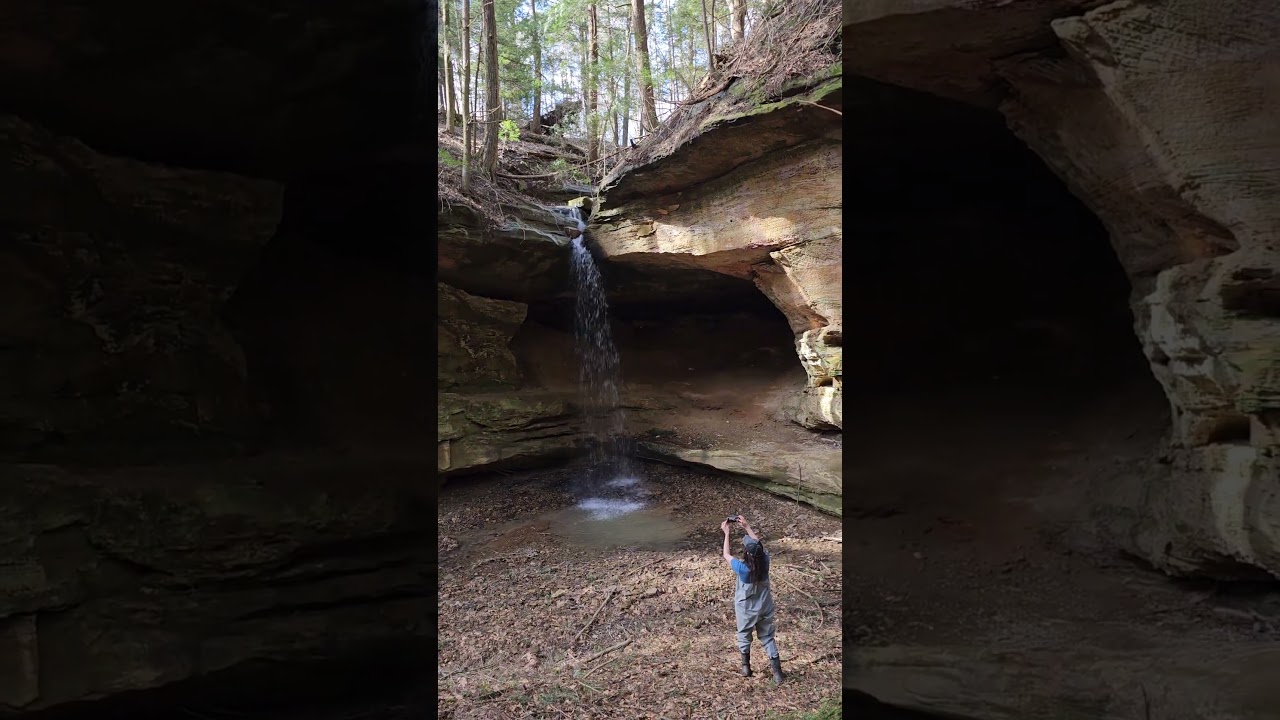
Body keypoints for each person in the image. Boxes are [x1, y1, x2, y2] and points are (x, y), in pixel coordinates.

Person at [720, 515, 785, 684]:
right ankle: (777, 673)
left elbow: (726, 554)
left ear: (747, 554)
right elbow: (759, 547)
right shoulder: (765, 561)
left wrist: (726, 533)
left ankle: (746, 667)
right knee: (767, 636)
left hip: (746, 609)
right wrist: (747, 527)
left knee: (744, 634)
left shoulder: (743, 569)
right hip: (764, 606)